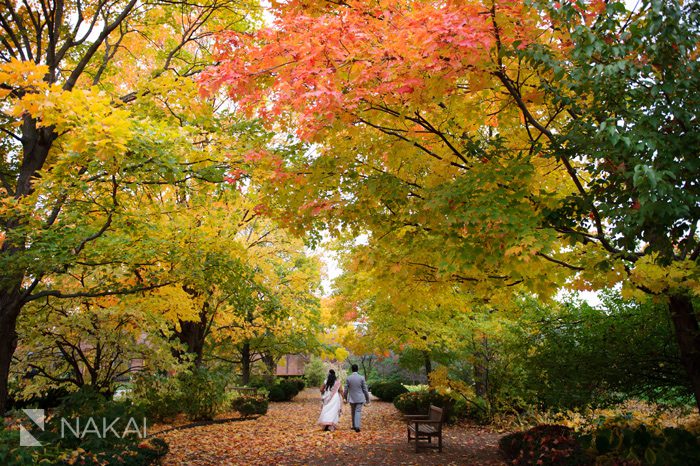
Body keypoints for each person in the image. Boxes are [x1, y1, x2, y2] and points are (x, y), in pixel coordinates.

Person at [343, 364, 370, 432]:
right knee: (358, 411)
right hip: (360, 398)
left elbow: (346, 389)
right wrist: (367, 399)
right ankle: (357, 426)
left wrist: (345, 398)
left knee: (353, 412)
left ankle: (354, 426)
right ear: (357, 369)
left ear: (352, 369)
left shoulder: (348, 378)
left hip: (352, 398)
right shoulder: (362, 378)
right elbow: (365, 389)